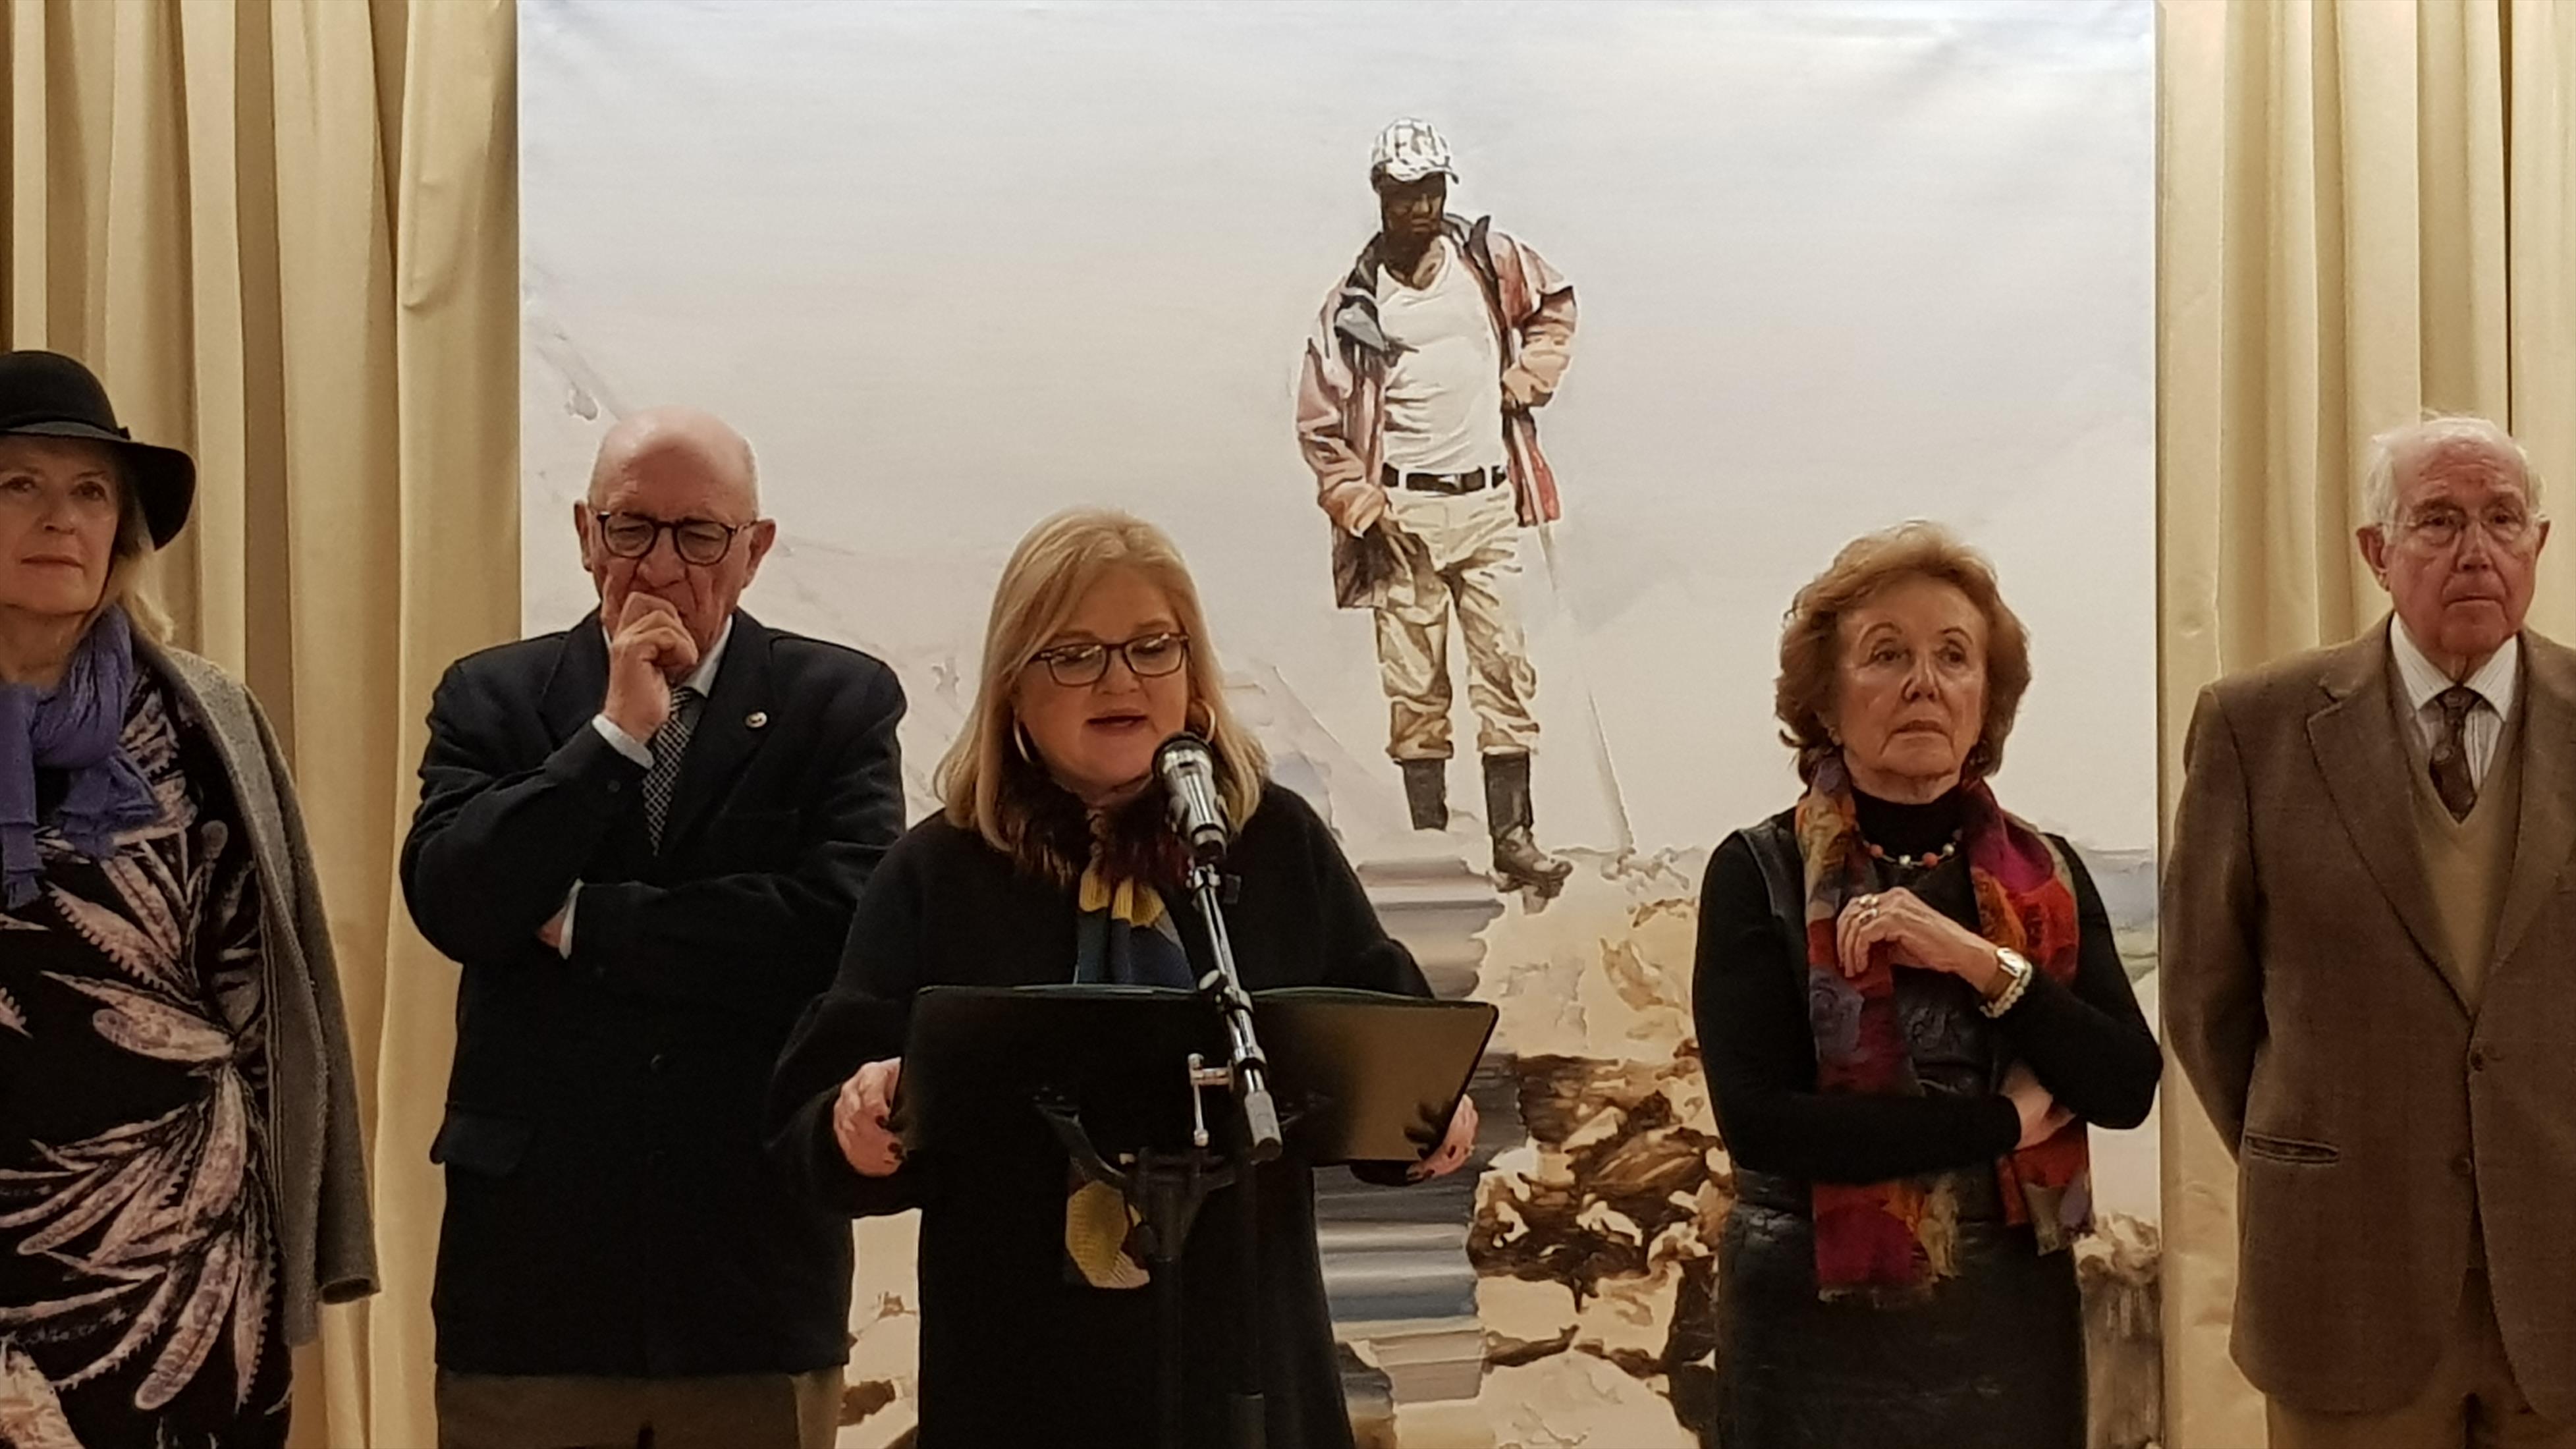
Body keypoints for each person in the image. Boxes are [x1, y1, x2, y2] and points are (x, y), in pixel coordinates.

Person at [765, 508, 1478, 1448]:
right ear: (1013, 688)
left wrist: (1433, 1117)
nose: (1119, 679)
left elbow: (1387, 1057)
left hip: (1245, 1374)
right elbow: (810, 1131)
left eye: (1151, 647)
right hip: (1022, 1385)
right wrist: (855, 1124)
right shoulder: (940, 871)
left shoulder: (1269, 845)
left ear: (1193, 674)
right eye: (1073, 655)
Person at [400, 406, 906, 1449]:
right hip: (531, 1281)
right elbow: (457, 901)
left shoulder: (836, 702)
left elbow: (834, 927)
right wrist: (613, 737)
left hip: (748, 1268)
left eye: (700, 534)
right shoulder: (493, 696)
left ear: (754, 551)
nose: (662, 565)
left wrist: (584, 920)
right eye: (631, 527)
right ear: (586, 535)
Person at [1691, 521, 2158, 1447]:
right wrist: (2003, 1124)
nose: (1922, 683)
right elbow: (1766, 1125)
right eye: (1885, 655)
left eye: (1952, 656)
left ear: (1986, 702)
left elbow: (2122, 1084)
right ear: (1825, 702)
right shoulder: (1758, 870)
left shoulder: (2046, 876)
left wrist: (1978, 962)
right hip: (1809, 1327)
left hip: (2007, 1324)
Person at [2168, 415, 2576, 1447]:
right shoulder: (2253, 727)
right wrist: (2325, 1147)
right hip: (2341, 1276)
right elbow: (2205, 1001)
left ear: (2537, 543)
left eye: (2501, 520)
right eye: (2436, 520)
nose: (2474, 550)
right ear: (2373, 552)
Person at [0, 349, 376, 1448]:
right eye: (18, 484)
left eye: (90, 491)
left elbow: (266, 988)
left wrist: (301, 1220)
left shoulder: (201, 714)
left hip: (185, 1252)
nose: (60, 518)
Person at [1296, 117, 1577, 896]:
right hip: (1402, 516)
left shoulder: (1488, 262)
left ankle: (1513, 841)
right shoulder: (1351, 306)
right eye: (1402, 193)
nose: (1418, 208)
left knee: (1505, 671)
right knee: (1414, 689)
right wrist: (1363, 506)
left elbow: (1555, 307)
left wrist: (1526, 380)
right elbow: (1319, 425)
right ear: (1378, 194)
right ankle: (1431, 844)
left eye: (1428, 191)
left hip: (1487, 499)